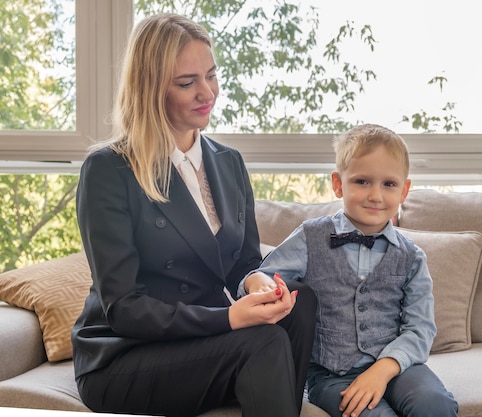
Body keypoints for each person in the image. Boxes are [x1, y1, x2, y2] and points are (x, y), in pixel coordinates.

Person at [72, 13, 316, 417]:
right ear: (151, 90)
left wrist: (254, 282)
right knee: (263, 342)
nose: (208, 93)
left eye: (211, 75)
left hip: (199, 344)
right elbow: (125, 307)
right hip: (125, 355)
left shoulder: (229, 162)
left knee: (299, 301)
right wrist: (229, 319)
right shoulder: (109, 170)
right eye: (187, 83)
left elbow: (244, 261)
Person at [240, 124, 458, 417]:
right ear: (338, 184)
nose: (375, 195)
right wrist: (257, 282)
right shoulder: (310, 237)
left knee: (434, 405)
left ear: (405, 190)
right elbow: (262, 275)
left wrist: (383, 369)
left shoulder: (412, 257)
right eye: (362, 181)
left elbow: (421, 328)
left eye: (389, 184)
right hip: (332, 375)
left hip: (397, 367)